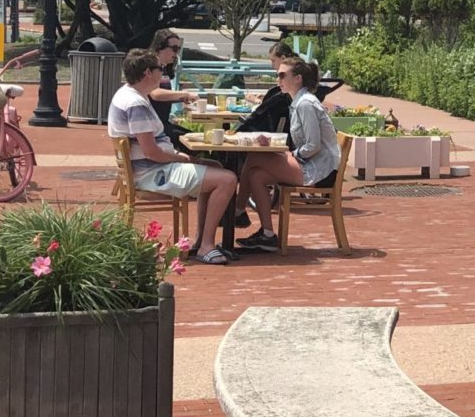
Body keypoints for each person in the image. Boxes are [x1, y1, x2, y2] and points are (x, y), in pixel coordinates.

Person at [107, 50, 240, 265]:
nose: (163, 73)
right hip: (152, 172)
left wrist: (181, 157)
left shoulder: (128, 94)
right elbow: (151, 152)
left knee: (214, 166)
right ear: (148, 73)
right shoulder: (136, 104)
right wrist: (178, 158)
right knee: (227, 179)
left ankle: (200, 241)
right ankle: (206, 245)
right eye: (160, 69)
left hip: (148, 168)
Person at [234, 55, 340, 250]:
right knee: (256, 175)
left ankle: (237, 211)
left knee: (256, 155)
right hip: (311, 164)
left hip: (320, 171)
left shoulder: (306, 104)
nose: (278, 80)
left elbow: (313, 145)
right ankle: (267, 234)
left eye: (282, 75)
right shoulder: (296, 102)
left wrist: (292, 155)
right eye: (277, 76)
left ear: (297, 78)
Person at [147, 29, 193, 135]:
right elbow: (155, 94)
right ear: (160, 47)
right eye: (174, 49)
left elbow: (160, 98)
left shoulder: (164, 67)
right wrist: (185, 94)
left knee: (197, 139)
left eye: (178, 49)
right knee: (196, 142)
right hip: (152, 128)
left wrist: (180, 98)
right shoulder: (151, 66)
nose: (176, 53)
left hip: (162, 124)